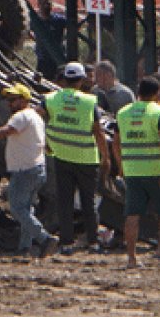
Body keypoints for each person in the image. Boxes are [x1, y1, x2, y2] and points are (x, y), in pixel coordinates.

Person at [0, 84, 60, 258]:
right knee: (27, 210)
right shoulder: (35, 117)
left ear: (24, 100)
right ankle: (25, 247)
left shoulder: (22, 116)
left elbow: (5, 132)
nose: (10, 104)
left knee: (17, 209)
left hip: (25, 170)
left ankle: (45, 239)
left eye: (13, 100)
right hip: (37, 169)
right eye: (9, 100)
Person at [40, 63, 110, 254]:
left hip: (61, 156)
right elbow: (98, 131)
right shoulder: (89, 101)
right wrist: (105, 156)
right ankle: (93, 242)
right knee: (88, 202)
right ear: (80, 80)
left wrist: (45, 142)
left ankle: (66, 243)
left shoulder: (50, 99)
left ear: (64, 79)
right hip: (87, 158)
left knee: (65, 201)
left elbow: (38, 118)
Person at [114, 76, 160, 268]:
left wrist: (122, 166)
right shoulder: (159, 112)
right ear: (157, 92)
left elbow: (116, 143)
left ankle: (132, 258)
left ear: (138, 92)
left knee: (132, 214)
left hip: (132, 171)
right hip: (154, 169)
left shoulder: (123, 113)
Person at [30, 0, 66, 81]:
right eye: (43, 3)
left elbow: (74, 27)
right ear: (38, 5)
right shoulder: (35, 21)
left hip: (57, 58)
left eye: (48, 3)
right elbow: (26, 29)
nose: (46, 6)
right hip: (42, 59)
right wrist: (35, 39)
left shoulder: (58, 20)